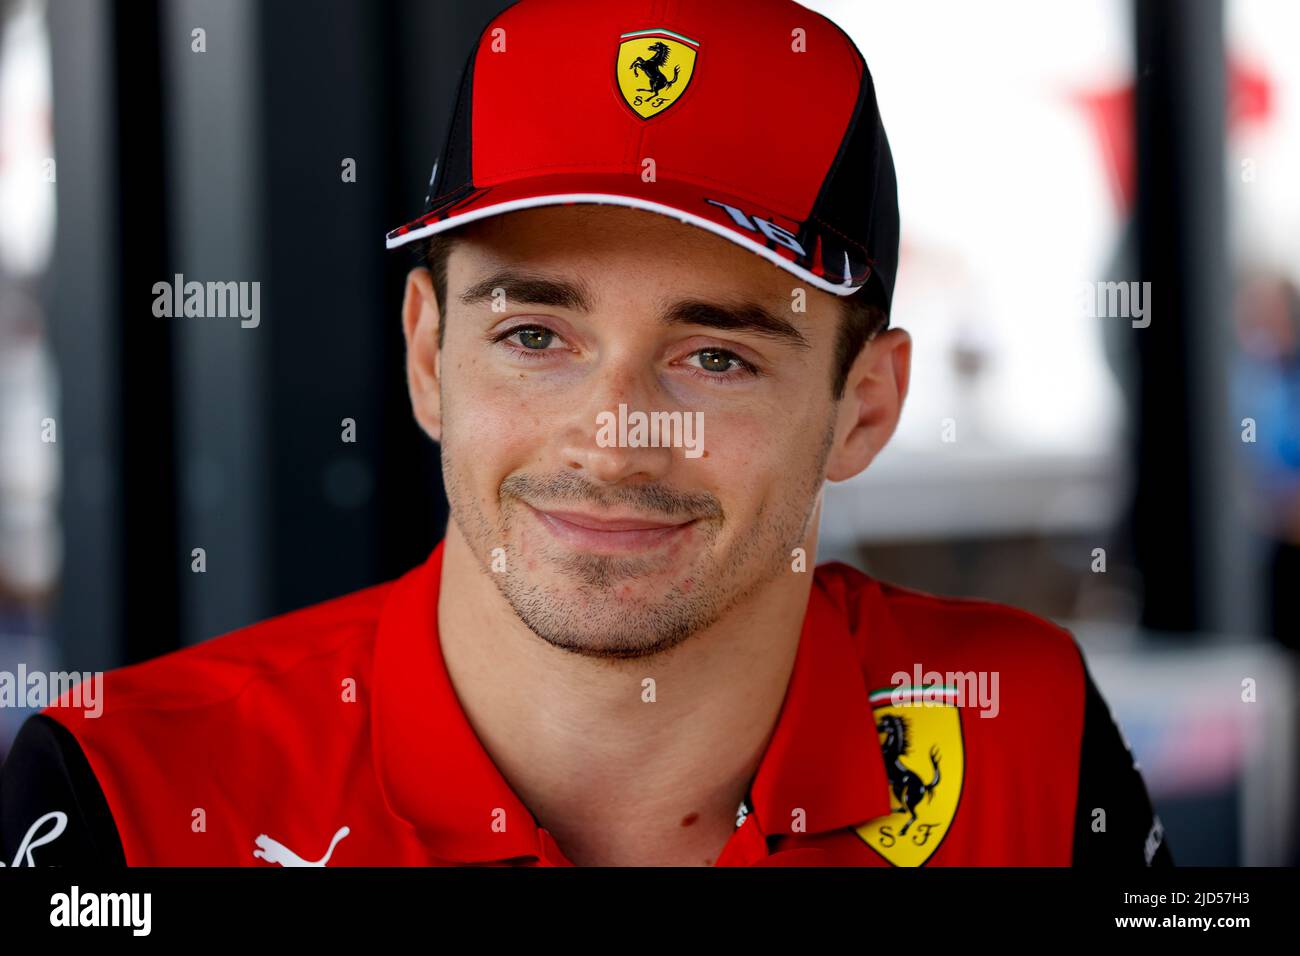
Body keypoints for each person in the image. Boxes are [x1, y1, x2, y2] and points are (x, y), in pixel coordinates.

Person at [0, 0, 1170, 867]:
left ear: (862, 404)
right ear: (427, 356)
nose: (614, 442)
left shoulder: (1018, 719)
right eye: (535, 336)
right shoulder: (123, 795)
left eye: (717, 355)